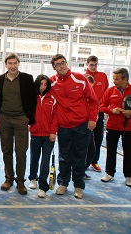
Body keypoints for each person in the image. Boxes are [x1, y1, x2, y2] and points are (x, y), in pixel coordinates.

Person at [50, 54, 98, 199]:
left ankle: (78, 186)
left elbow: (93, 101)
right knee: (64, 157)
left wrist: (92, 119)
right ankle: (63, 183)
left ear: (66, 63)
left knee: (79, 157)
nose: (61, 66)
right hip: (63, 127)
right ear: (54, 68)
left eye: (63, 63)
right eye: (57, 64)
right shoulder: (51, 82)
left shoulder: (80, 79)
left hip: (81, 126)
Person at [0, 53, 36, 195]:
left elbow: (32, 100)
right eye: (10, 63)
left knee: (20, 151)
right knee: (6, 150)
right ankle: (9, 178)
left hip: (21, 120)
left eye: (15, 63)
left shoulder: (27, 79)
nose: (12, 66)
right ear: (6, 65)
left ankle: (20, 181)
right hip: (5, 119)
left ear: (18, 64)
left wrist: (27, 117)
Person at [100, 68, 131, 186]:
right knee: (111, 151)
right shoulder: (110, 91)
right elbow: (102, 106)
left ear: (125, 79)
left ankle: (128, 175)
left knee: (128, 152)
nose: (114, 81)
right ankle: (109, 173)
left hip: (128, 128)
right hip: (112, 126)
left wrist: (130, 113)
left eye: (117, 79)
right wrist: (111, 110)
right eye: (113, 78)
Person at [28, 74, 57, 198]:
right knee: (34, 158)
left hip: (48, 135)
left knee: (45, 161)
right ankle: (33, 178)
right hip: (35, 133)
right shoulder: (32, 97)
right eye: (41, 84)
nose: (43, 87)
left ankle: (43, 187)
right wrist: (31, 126)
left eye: (45, 84)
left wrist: (53, 132)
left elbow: (56, 116)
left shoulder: (53, 98)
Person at [85, 55, 109, 172]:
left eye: (95, 65)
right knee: (85, 140)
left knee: (98, 138)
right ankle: (84, 162)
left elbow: (106, 92)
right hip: (86, 115)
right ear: (87, 64)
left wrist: (101, 104)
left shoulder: (103, 76)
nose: (93, 67)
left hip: (99, 112)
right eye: (91, 65)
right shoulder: (83, 77)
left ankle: (94, 161)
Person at [83, 74, 96, 180]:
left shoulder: (92, 97)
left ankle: (81, 170)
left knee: (91, 150)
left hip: (89, 128)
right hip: (79, 126)